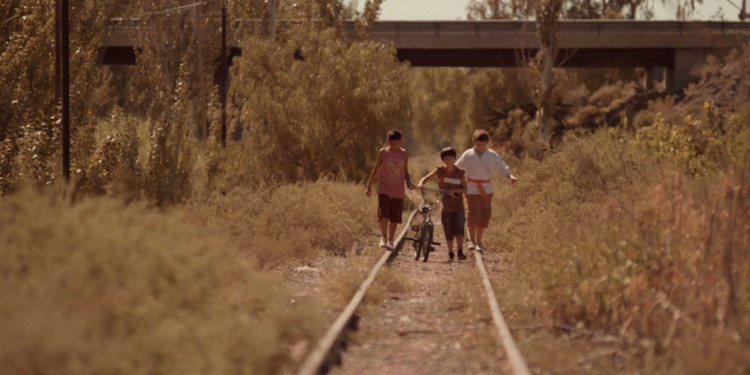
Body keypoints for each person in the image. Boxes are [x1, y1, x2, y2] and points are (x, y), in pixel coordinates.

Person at [456, 129, 517, 252]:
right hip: (471, 187)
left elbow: (502, 167)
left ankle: (479, 241)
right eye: (478, 144)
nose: (480, 147)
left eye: (483, 145)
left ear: (487, 144)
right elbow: (457, 168)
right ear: (474, 143)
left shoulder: (492, 155)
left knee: (484, 214)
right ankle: (471, 241)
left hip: (486, 188)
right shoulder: (468, 154)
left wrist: (510, 176)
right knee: (472, 212)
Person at [366, 130, 416, 250]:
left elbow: (405, 170)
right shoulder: (383, 152)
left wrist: (408, 182)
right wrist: (369, 185)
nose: (394, 146)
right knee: (384, 213)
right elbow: (376, 169)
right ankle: (383, 237)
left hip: (398, 189)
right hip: (384, 187)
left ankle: (391, 240)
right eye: (392, 144)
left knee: (394, 217)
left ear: (400, 142)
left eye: (396, 144)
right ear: (387, 141)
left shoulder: (404, 154)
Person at [417, 147, 468, 261]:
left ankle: (460, 251)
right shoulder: (440, 171)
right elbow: (426, 178)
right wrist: (421, 183)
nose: (449, 160)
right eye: (446, 158)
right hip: (446, 207)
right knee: (448, 230)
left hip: (458, 206)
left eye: (451, 158)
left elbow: (465, 189)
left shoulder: (460, 173)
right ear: (443, 160)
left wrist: (455, 191)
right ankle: (450, 253)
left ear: (455, 158)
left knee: (459, 229)